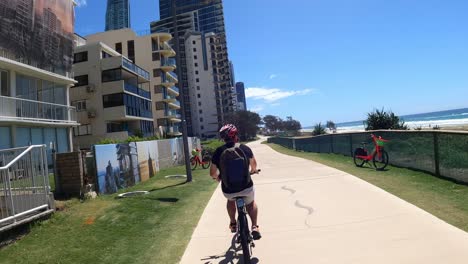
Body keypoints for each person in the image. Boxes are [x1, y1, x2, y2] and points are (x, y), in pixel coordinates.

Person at [210, 124, 261, 240]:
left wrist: (218, 177)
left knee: (230, 200)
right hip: (246, 187)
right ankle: (254, 227)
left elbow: (212, 173)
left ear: (223, 138)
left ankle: (233, 223)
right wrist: (252, 171)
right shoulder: (244, 148)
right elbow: (254, 165)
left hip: (229, 190)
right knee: (251, 203)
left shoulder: (219, 151)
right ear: (235, 135)